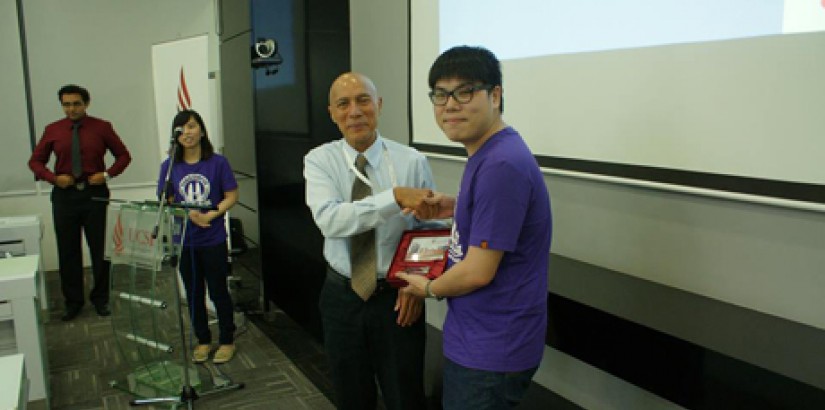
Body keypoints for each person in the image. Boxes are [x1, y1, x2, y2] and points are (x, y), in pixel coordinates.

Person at [396, 46, 553, 409]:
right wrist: (457, 205)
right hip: (482, 336)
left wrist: (428, 288)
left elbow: (479, 272)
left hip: (491, 348)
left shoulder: (500, 165)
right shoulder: (491, 152)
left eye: (465, 91)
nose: (450, 104)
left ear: (495, 95)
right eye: (440, 94)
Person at [304, 72, 436, 410]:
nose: (355, 111)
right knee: (351, 395)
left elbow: (427, 231)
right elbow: (330, 221)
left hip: (397, 297)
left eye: (363, 100)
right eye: (343, 104)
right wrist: (393, 198)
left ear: (378, 105)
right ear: (331, 112)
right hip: (341, 296)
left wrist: (415, 285)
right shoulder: (319, 161)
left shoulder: (412, 161)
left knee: (405, 395)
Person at [28, 84, 132, 321]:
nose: (71, 109)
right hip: (65, 197)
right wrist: (54, 179)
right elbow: (35, 162)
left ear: (86, 103)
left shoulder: (101, 127)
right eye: (66, 104)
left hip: (94, 195)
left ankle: (101, 299)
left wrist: (106, 174)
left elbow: (124, 156)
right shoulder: (53, 130)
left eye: (76, 104)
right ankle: (73, 302)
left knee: (100, 251)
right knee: (68, 252)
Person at [158, 109, 239, 364]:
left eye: (192, 126)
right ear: (176, 135)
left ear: (202, 131)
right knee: (193, 293)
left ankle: (227, 339)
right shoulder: (169, 167)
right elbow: (166, 201)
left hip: (212, 239)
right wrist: (185, 212)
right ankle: (203, 340)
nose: (187, 132)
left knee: (218, 292)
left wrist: (210, 216)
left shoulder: (217, 163)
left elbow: (231, 196)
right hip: (184, 241)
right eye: (182, 128)